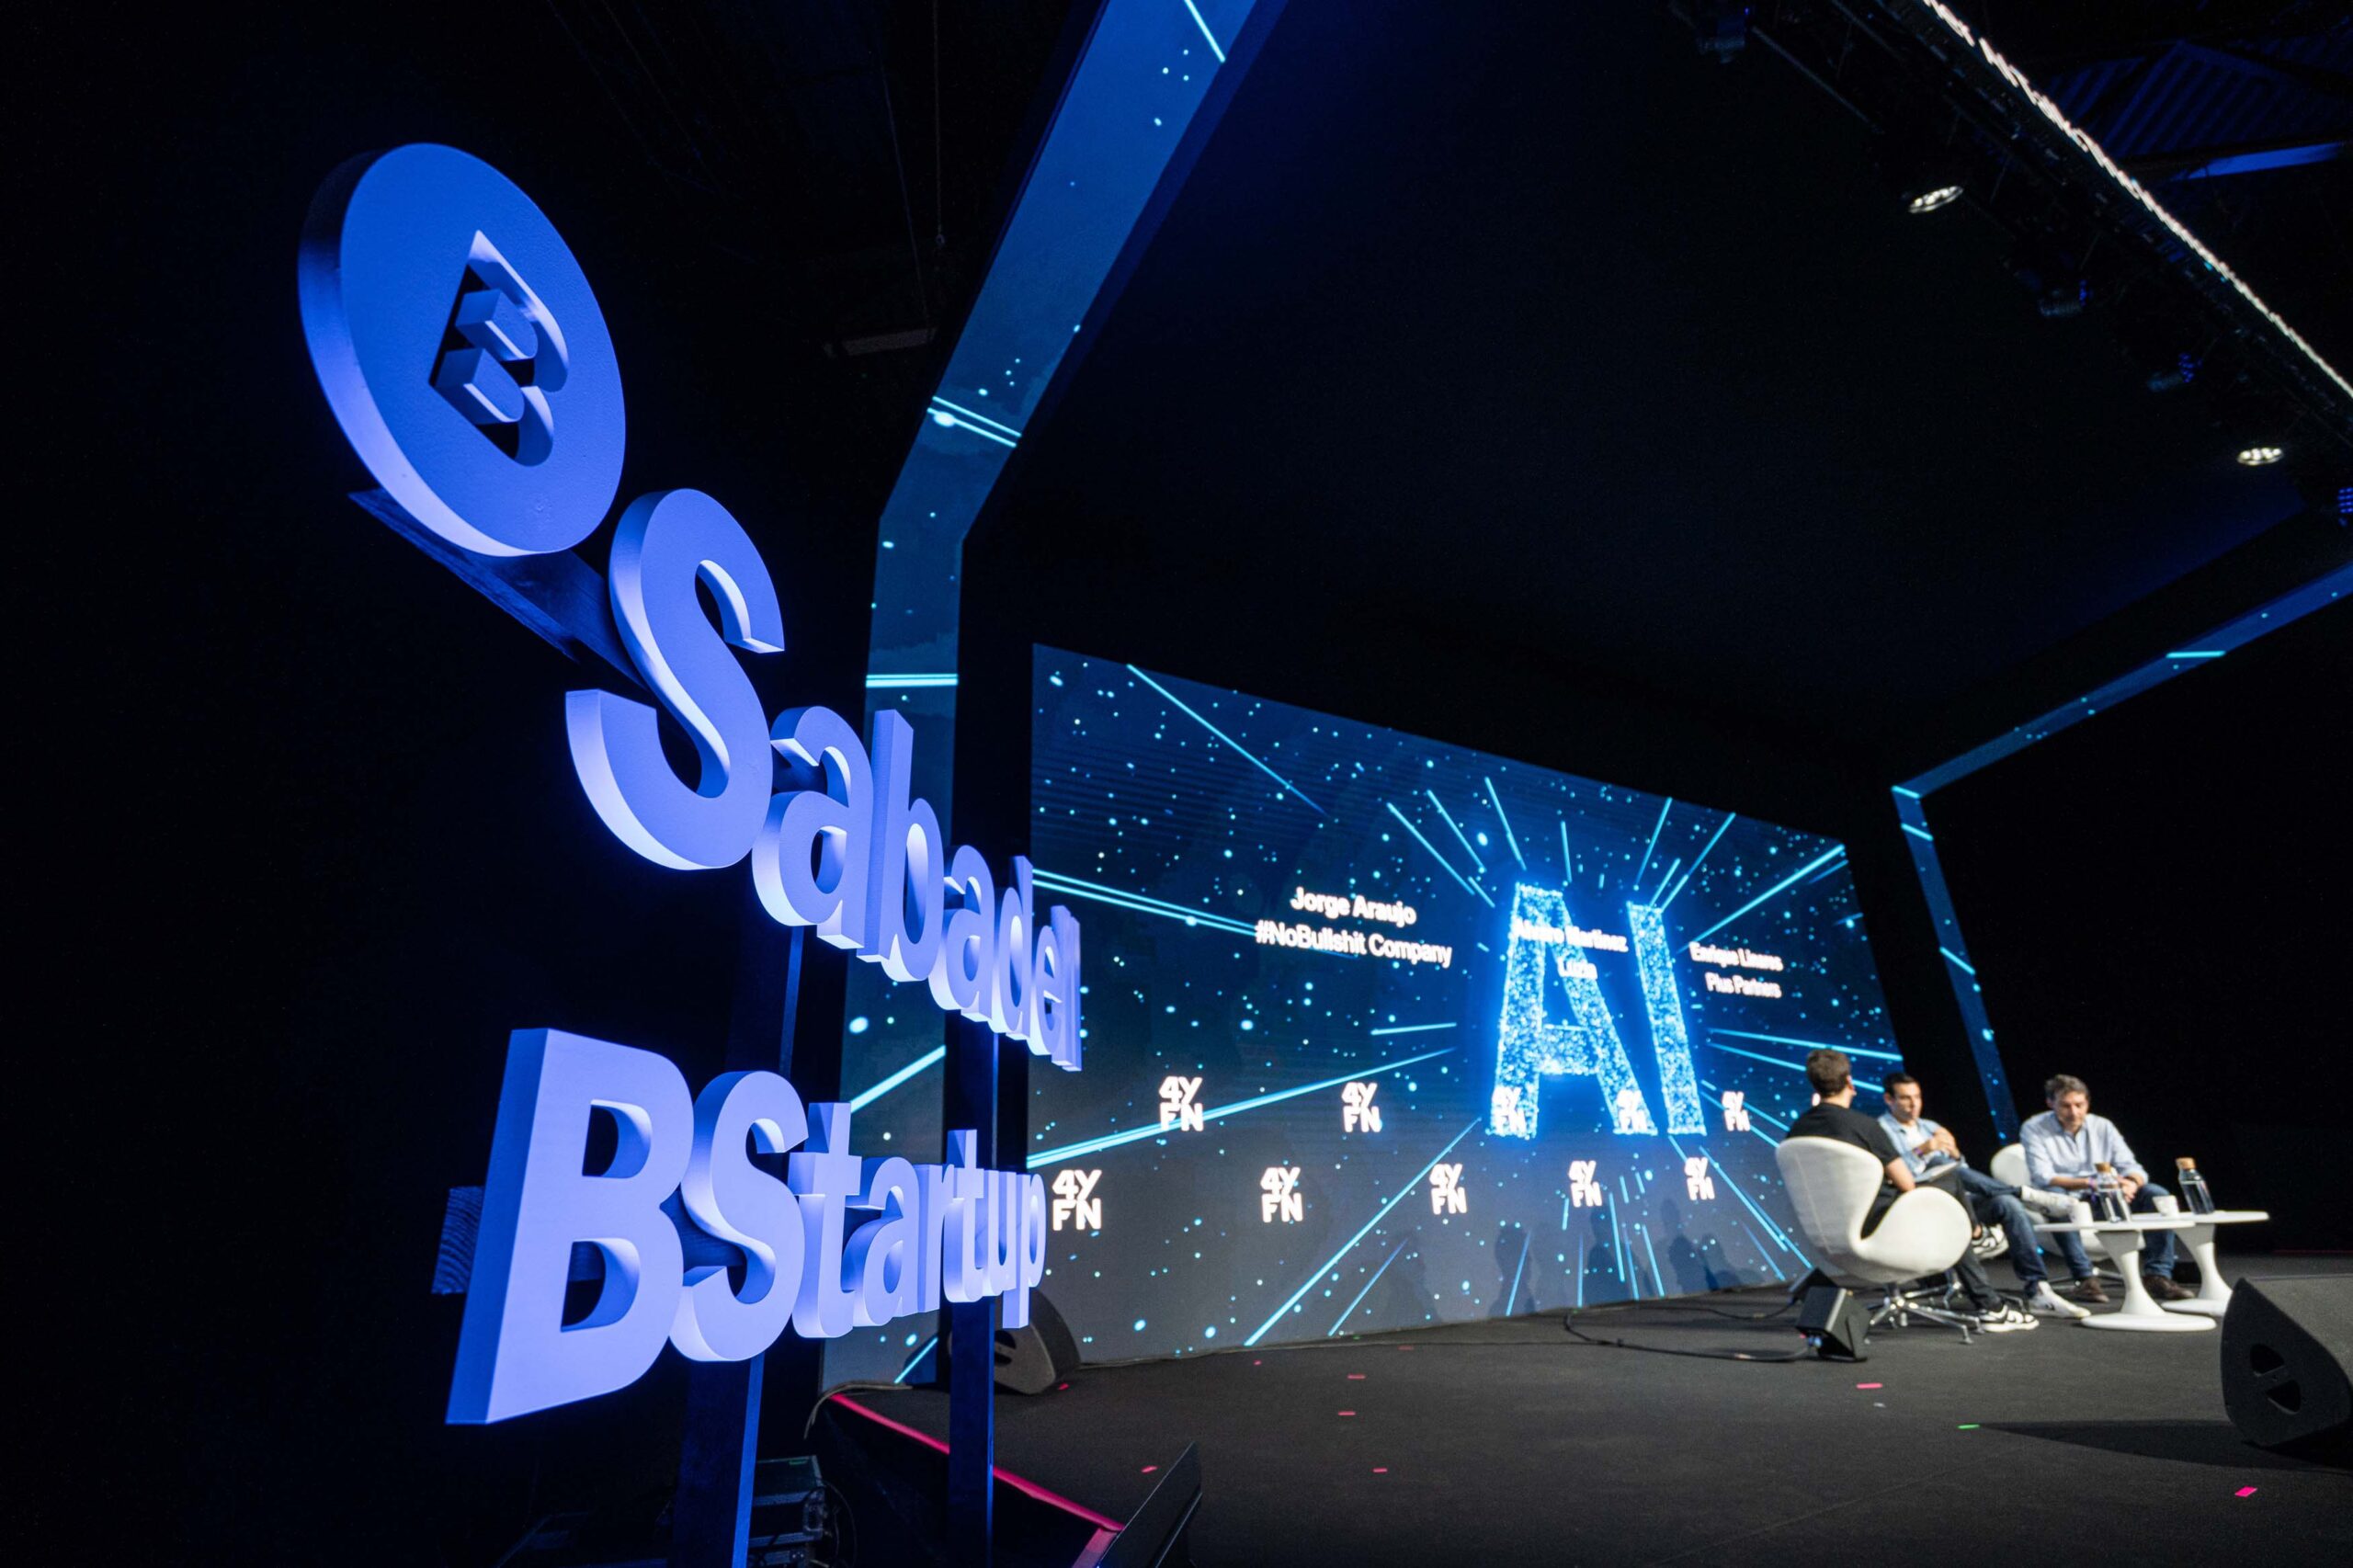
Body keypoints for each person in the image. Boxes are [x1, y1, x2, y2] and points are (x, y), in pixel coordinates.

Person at [1788, 1051, 2036, 1332]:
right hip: (1882, 1225)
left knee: (1945, 1191)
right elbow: (1906, 1183)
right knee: (1950, 1182)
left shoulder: (1797, 1130)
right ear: (1849, 1082)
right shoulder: (1864, 1126)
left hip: (1830, 1236)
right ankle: (1986, 1282)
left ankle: (1981, 1262)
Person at [1877, 1073, 2087, 1319]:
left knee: (2007, 1204)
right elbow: (1898, 1176)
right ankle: (2024, 1193)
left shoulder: (1930, 1127)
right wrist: (1924, 1150)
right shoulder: (1881, 1130)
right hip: (1922, 1204)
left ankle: (2038, 1290)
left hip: (1960, 1199)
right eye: (1905, 1098)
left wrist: (1955, 1155)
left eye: (1917, 1097)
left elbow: (1964, 1172)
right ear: (1889, 1099)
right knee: (1940, 1163)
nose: (1914, 1104)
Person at [2018, 1074, 2192, 1304]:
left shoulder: (2102, 1126)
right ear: (2050, 1103)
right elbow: (2044, 1177)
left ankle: (2158, 1275)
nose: (2074, 1112)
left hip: (2109, 1196)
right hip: (2069, 1197)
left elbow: (2131, 1166)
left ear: (2087, 1103)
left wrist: (2131, 1182)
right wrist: (2094, 1183)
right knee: (2058, 1199)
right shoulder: (2034, 1127)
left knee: (2156, 1194)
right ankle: (2085, 1279)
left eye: (2079, 1105)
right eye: (2066, 1105)